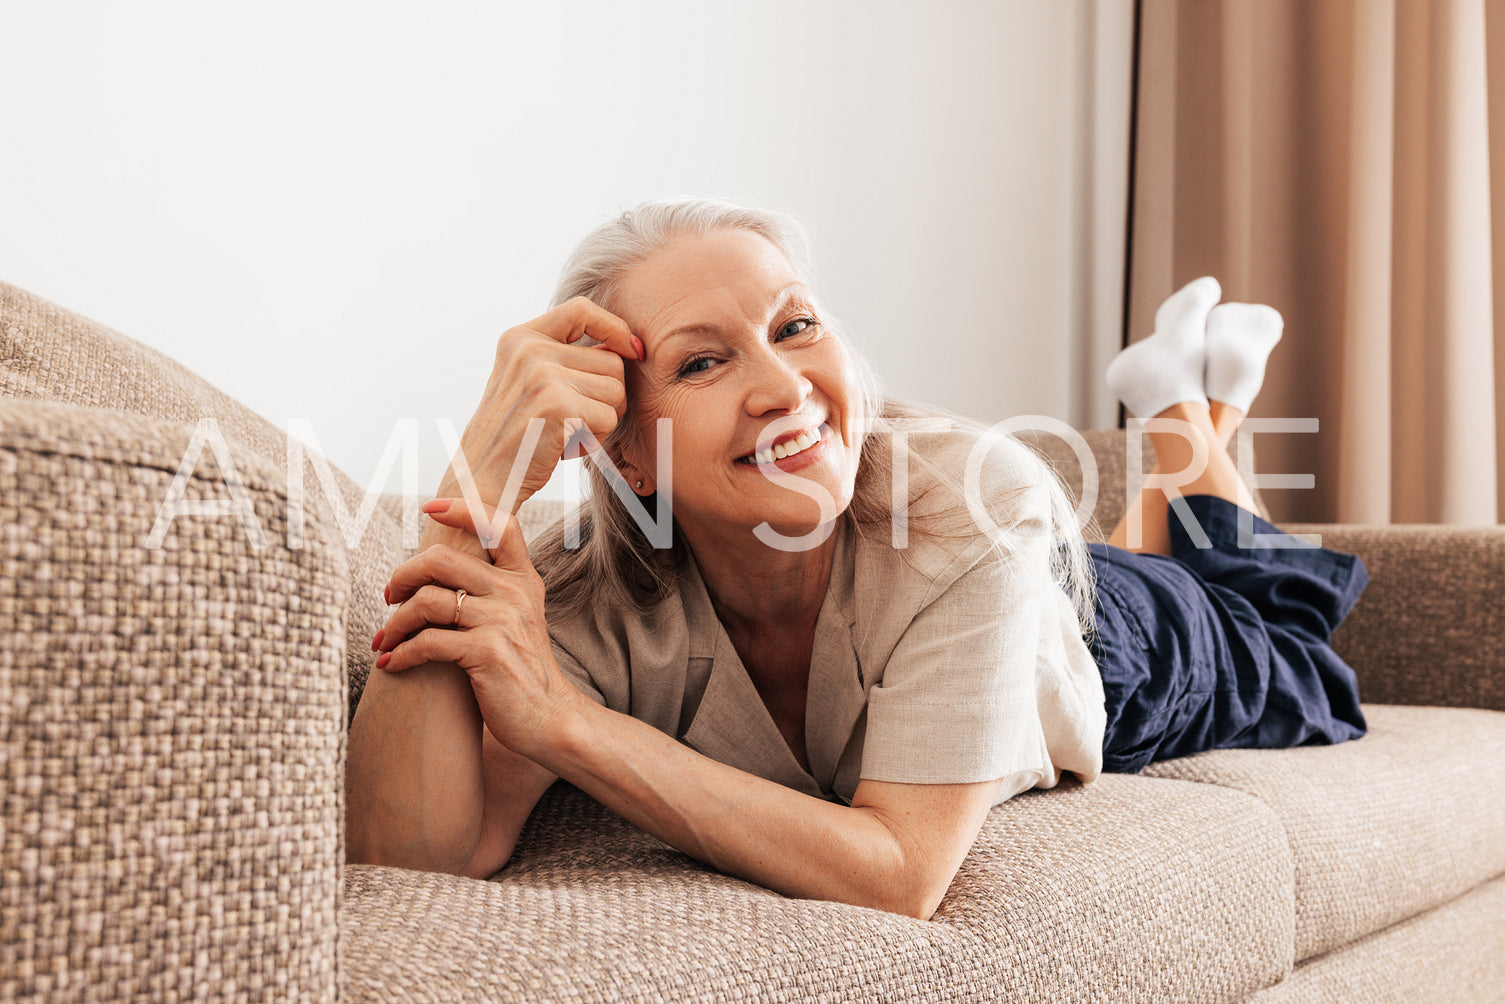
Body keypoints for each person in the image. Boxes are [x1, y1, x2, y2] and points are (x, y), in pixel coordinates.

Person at [344, 198, 1367, 920]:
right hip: (980, 588)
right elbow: (410, 857)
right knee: (1241, 588)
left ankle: (1187, 414)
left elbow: (899, 875)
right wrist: (468, 496)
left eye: (794, 325)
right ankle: (1191, 406)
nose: (783, 387)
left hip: (1103, 647)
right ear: (624, 451)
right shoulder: (575, 582)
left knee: (1280, 629)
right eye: (701, 361)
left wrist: (571, 725)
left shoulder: (977, 498)